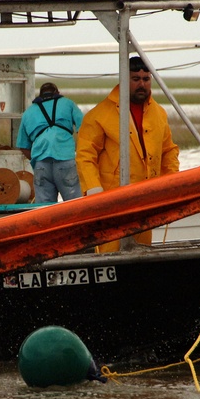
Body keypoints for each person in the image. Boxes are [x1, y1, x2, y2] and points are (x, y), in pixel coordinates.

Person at [76, 55, 180, 252]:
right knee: (110, 254)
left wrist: (171, 182)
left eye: (146, 79)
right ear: (124, 80)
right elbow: (85, 156)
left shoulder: (159, 113)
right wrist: (93, 189)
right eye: (135, 79)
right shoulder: (98, 115)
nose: (142, 84)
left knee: (143, 255)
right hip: (111, 207)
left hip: (147, 203)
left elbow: (169, 151)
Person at [16, 82, 84, 203]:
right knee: (75, 205)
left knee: (44, 210)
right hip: (66, 161)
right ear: (57, 93)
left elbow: (23, 146)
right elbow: (84, 129)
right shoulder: (67, 103)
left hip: (41, 165)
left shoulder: (28, 113)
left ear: (40, 95)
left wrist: (37, 159)